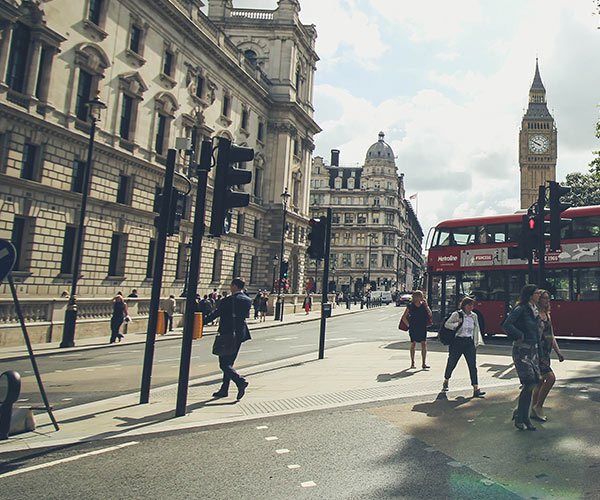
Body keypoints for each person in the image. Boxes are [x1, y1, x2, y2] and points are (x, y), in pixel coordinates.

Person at [503, 284, 542, 431]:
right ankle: (522, 416)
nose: (538, 295)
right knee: (529, 382)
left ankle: (521, 415)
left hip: (533, 350)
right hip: (522, 350)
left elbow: (537, 333)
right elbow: (507, 324)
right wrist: (519, 335)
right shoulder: (521, 309)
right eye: (537, 293)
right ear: (530, 295)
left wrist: (541, 353)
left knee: (533, 383)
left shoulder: (534, 310)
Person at [204, 277, 252, 400]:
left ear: (235, 286)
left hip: (227, 333)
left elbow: (216, 314)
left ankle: (239, 381)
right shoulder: (248, 300)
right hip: (240, 334)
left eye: (231, 286)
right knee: (229, 362)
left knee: (224, 364)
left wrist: (201, 322)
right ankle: (224, 389)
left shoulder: (228, 300)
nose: (230, 288)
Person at [441, 297, 486, 398]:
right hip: (458, 341)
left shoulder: (474, 316)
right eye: (469, 305)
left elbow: (476, 329)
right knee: (452, 362)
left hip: (469, 342)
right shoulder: (457, 314)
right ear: (464, 305)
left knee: (472, 366)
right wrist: (458, 323)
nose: (471, 307)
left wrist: (476, 342)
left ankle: (476, 388)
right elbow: (447, 324)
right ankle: (446, 380)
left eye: (472, 305)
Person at [531, 290, 565, 421]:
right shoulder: (534, 315)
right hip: (537, 352)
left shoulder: (547, 315)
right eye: (544, 298)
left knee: (539, 382)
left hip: (546, 352)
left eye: (548, 298)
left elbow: (551, 335)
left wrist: (558, 352)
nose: (547, 301)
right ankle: (539, 406)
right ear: (538, 299)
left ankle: (533, 409)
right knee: (550, 378)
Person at [400, 290, 432, 369]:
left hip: (422, 326)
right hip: (413, 327)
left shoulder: (424, 305)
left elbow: (430, 314)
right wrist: (409, 325)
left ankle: (424, 363)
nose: (423, 297)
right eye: (421, 296)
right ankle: (412, 362)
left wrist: (427, 306)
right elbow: (404, 317)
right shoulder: (410, 306)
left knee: (424, 343)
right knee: (413, 343)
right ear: (417, 297)